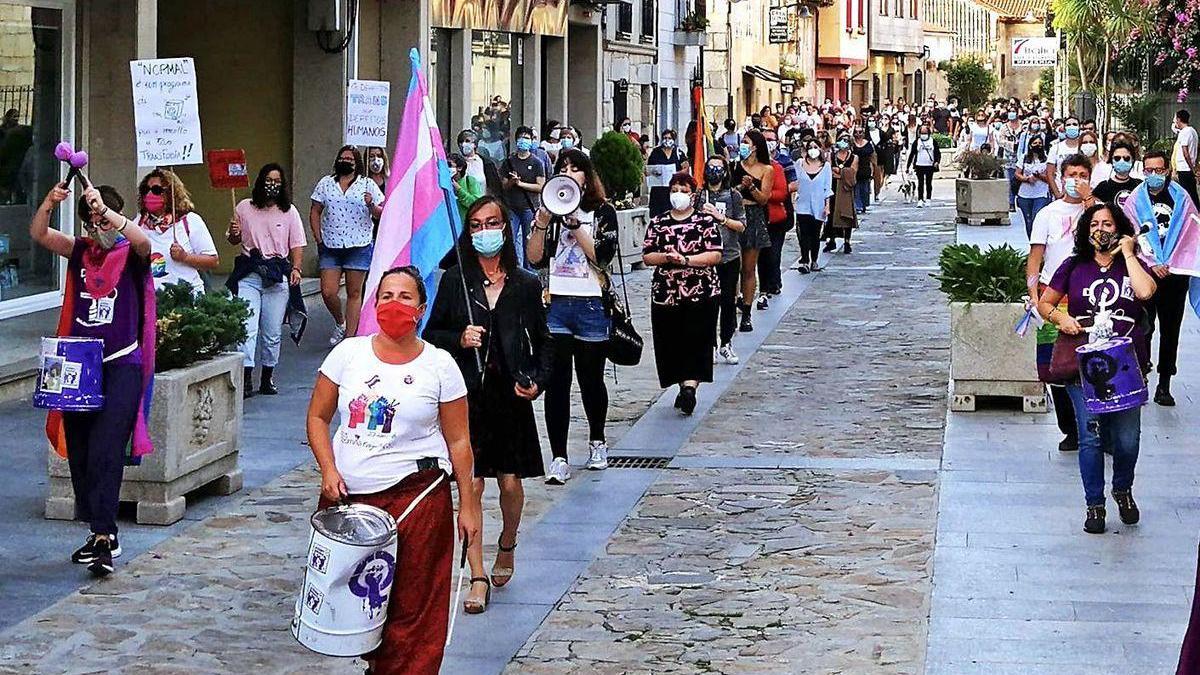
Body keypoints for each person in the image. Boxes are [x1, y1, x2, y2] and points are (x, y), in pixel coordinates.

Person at [306, 265, 480, 675]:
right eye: (386, 296)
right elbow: (318, 417)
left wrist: (467, 506)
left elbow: (459, 441)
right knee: (358, 607)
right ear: (373, 302)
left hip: (417, 499)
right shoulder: (348, 354)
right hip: (351, 502)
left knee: (415, 608)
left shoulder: (440, 366)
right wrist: (328, 469)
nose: (394, 305)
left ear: (420, 309)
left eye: (404, 297)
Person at [425, 197, 552, 615]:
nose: (485, 231)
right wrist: (459, 338)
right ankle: (477, 574)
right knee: (472, 485)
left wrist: (537, 380)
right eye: (476, 225)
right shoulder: (455, 281)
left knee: (511, 484)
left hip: (510, 395)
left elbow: (544, 344)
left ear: (504, 227)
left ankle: (508, 542)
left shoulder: (525, 284)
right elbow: (432, 334)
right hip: (467, 396)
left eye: (492, 223)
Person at [32, 181, 155, 577]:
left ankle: (105, 535)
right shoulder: (81, 252)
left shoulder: (131, 253)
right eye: (90, 222)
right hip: (79, 366)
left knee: (106, 448)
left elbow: (143, 242)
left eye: (100, 221)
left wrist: (110, 214)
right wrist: (50, 203)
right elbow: (39, 234)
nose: (96, 228)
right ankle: (96, 526)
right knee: (81, 452)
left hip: (122, 364)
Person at [1036, 204, 1155, 534]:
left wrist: (1129, 253)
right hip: (1083, 363)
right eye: (1095, 224)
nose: (1101, 229)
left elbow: (1145, 292)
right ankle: (1095, 504)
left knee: (1127, 439)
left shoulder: (1132, 264)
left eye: (1108, 224)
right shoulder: (1074, 266)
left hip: (1126, 363)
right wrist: (1063, 318)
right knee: (1090, 436)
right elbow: (1045, 302)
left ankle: (1122, 488)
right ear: (1086, 230)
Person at [527, 149, 618, 483]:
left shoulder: (601, 211)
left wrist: (577, 226)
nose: (569, 173)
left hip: (591, 304)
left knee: (591, 379)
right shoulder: (551, 211)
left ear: (587, 175)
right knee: (557, 383)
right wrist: (541, 224)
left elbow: (603, 256)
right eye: (563, 168)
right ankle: (559, 456)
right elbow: (535, 258)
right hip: (557, 305)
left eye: (575, 168)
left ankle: (597, 441)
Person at [1028, 155, 1095, 453]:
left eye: (1082, 174)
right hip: (1053, 296)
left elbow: (1107, 236)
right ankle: (1069, 428)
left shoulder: (1097, 211)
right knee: (1055, 366)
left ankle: (1094, 427)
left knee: (1091, 361)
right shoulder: (1048, 214)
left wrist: (1089, 201)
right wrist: (1033, 295)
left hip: (1089, 295)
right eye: (1072, 174)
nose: (1076, 180)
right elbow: (1035, 257)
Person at [642, 173, 723, 414]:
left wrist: (686, 259)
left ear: (692, 194)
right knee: (672, 342)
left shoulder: (704, 222)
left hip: (702, 291)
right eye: (674, 189)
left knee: (697, 340)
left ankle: (690, 387)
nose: (678, 193)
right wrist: (667, 257)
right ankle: (681, 383)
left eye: (683, 189)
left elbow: (715, 254)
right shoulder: (658, 223)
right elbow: (647, 255)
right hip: (666, 292)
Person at [227, 163, 307, 398]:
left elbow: (297, 244)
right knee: (247, 327)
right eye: (268, 180)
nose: (272, 185)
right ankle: (246, 377)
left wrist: (297, 268)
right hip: (250, 273)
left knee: (272, 332)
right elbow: (233, 240)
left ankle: (267, 376)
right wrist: (233, 232)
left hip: (277, 275)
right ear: (260, 181)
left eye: (277, 181)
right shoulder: (243, 207)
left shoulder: (289, 212)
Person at [1121, 150, 1194, 407]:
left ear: (1167, 171)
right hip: (1145, 274)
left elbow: (1190, 234)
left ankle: (1165, 382)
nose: (1154, 175)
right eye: (1149, 170)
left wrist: (1170, 263)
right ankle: (1141, 376)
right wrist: (1152, 263)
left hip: (1174, 276)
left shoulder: (1182, 198)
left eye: (1159, 170)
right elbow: (1131, 234)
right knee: (1143, 327)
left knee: (1170, 329)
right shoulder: (1134, 201)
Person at [309, 145, 385, 344]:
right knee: (328, 291)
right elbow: (315, 210)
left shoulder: (367, 184)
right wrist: (318, 237)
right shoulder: (326, 183)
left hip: (358, 245)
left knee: (354, 292)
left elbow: (381, 214)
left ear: (357, 163)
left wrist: (370, 204)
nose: (346, 161)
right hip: (330, 246)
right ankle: (340, 321)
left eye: (350, 159)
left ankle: (350, 339)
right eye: (343, 158)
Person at [135, 168, 219, 294]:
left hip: (186, 299)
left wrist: (185, 257)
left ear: (171, 193)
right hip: (151, 299)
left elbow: (213, 261)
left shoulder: (190, 221)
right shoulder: (138, 223)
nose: (149, 194)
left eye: (156, 190)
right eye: (145, 190)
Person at [697, 155, 746, 365]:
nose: (714, 172)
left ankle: (726, 342)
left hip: (729, 256)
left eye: (719, 168)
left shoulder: (733, 196)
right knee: (707, 303)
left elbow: (741, 225)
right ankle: (710, 344)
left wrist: (722, 218)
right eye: (711, 167)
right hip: (705, 257)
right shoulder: (699, 196)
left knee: (727, 302)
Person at [730, 130, 774, 332]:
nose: (743, 146)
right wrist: (740, 186)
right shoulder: (734, 166)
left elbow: (765, 199)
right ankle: (731, 307)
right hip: (734, 215)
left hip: (754, 215)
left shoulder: (767, 169)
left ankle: (746, 313)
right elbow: (727, 192)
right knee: (732, 266)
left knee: (748, 268)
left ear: (755, 146)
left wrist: (752, 188)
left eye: (746, 142)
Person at [757, 127, 797, 308]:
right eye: (764, 139)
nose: (768, 142)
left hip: (778, 213)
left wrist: (763, 193)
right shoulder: (752, 164)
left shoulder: (783, 163)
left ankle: (774, 282)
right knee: (762, 253)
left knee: (774, 251)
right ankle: (766, 285)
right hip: (758, 216)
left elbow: (791, 186)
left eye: (770, 139)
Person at [500, 126, 546, 270]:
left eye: (527, 138)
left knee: (529, 241)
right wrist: (512, 182)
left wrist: (521, 184)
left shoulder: (537, 162)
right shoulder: (508, 162)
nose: (523, 141)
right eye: (521, 138)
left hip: (529, 207)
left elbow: (540, 186)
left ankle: (529, 271)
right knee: (510, 240)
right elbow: (503, 186)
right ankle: (512, 269)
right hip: (511, 207)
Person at [793, 138, 832, 274]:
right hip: (802, 205)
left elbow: (828, 188)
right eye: (810, 147)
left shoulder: (826, 167)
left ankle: (814, 260)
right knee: (804, 234)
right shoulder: (799, 164)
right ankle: (804, 260)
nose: (813, 149)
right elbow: (795, 183)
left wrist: (827, 206)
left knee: (815, 234)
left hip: (818, 205)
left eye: (816, 147)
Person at [826, 134, 859, 253]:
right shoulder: (832, 155)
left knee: (846, 213)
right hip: (833, 186)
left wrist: (840, 172)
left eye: (845, 141)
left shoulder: (854, 157)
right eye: (841, 140)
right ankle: (832, 239)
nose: (843, 143)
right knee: (832, 213)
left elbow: (853, 172)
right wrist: (839, 173)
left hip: (846, 188)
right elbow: (829, 170)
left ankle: (847, 241)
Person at [1015, 135, 1052, 237]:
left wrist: (1039, 176)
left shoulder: (1047, 159)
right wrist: (1027, 179)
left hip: (1041, 194)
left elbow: (1051, 177)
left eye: (1040, 143)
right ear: (1030, 145)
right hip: (1025, 194)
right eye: (1035, 143)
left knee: (1037, 218)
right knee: (1028, 221)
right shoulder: (1024, 158)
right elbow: (1017, 174)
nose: (1038, 145)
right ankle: (1031, 243)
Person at [646, 129, 688, 218]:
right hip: (658, 190)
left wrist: (676, 174)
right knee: (657, 215)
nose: (667, 140)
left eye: (669, 138)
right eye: (665, 138)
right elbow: (647, 170)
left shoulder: (678, 153)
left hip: (672, 189)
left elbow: (685, 168)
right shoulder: (656, 152)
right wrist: (654, 171)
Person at [1092, 141, 1142, 209]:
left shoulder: (1139, 185)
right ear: (1112, 160)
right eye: (1117, 158)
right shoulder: (1103, 187)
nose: (1122, 161)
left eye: (1126, 158)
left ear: (1132, 160)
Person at [457, 129, 503, 196]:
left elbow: (495, 188)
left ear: (475, 144)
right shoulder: (454, 163)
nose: (464, 144)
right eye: (461, 142)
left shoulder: (486, 164)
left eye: (467, 141)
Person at [907, 125, 940, 207]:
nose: (923, 135)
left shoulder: (933, 142)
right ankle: (920, 199)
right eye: (922, 133)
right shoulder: (917, 142)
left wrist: (937, 161)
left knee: (929, 183)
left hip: (929, 165)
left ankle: (928, 199)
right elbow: (912, 154)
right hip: (919, 165)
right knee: (920, 183)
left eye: (925, 133)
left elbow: (937, 153)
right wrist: (908, 166)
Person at [1173, 109, 1199, 208]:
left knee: (1187, 193)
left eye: (1176, 119)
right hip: (1189, 167)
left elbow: (1185, 152)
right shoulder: (1193, 131)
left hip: (1184, 167)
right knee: (1192, 192)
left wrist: (1191, 167)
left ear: (1179, 119)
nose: (1175, 122)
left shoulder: (1184, 132)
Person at [448, 153, 485, 218]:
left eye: (449, 165)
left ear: (460, 168)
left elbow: (476, 203)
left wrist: (459, 190)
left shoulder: (470, 181)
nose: (447, 168)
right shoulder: (444, 183)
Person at [850, 126, 876, 213]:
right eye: (856, 132)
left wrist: (873, 169)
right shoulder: (852, 144)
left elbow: (872, 157)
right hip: (855, 168)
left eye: (860, 132)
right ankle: (858, 206)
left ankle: (864, 204)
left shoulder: (868, 144)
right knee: (856, 188)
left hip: (865, 168)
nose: (858, 134)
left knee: (865, 188)